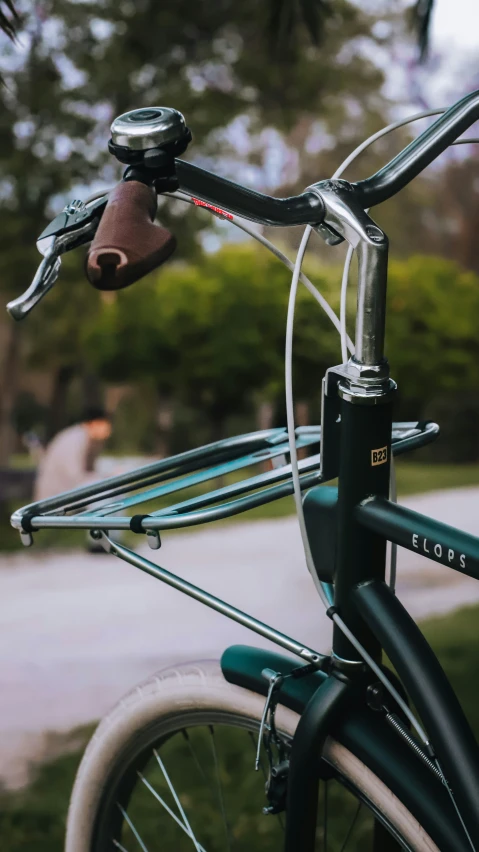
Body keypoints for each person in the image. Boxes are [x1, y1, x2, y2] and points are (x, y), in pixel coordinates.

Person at [34, 407, 112, 502]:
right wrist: (104, 477)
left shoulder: (86, 439)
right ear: (94, 423)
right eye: (106, 425)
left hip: (65, 496)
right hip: (55, 501)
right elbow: (75, 475)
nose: (109, 430)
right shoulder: (75, 440)